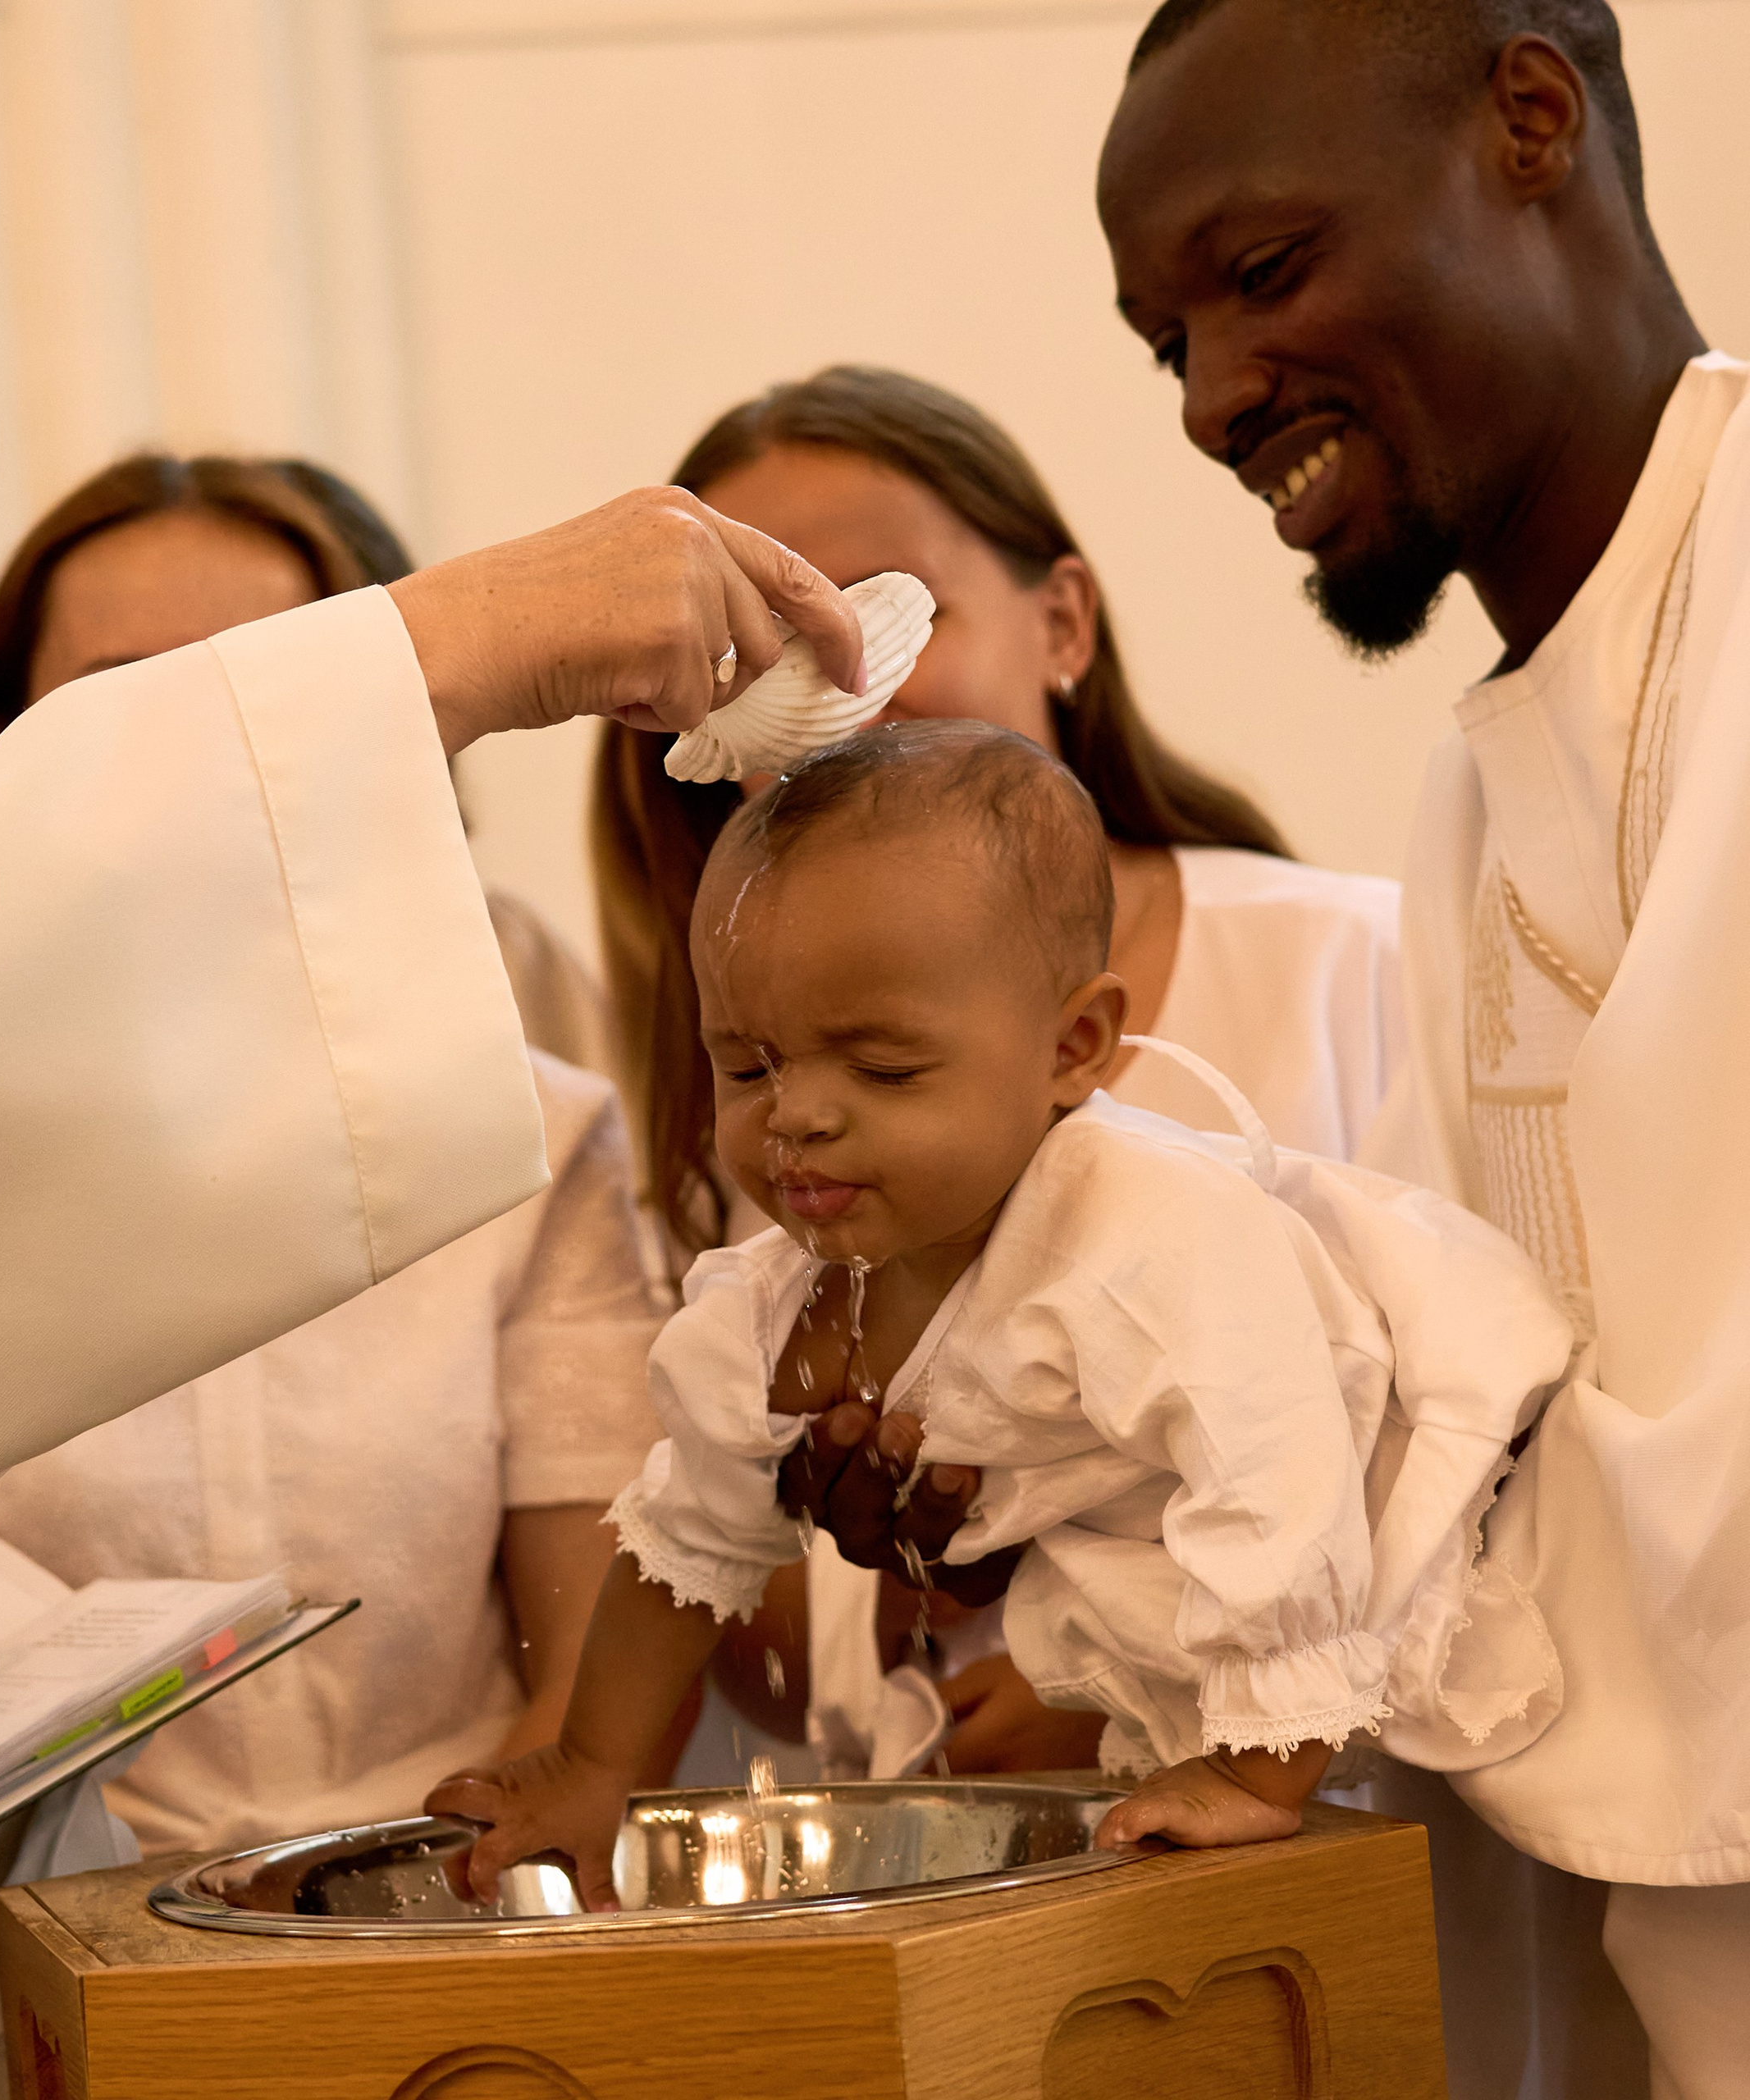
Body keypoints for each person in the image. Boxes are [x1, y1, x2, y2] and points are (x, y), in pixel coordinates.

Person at [0, 458, 864, 2100]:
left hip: (429, 1939)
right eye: (145, 712)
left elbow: (593, 1635)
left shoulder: (506, 1131)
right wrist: (458, 637)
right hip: (46, 1972)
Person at [1087, 2, 1750, 2093]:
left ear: (1527, 120)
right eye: (1164, 342)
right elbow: (1429, 1400)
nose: (1208, 398)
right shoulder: (1472, 790)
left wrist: (1319, 1612)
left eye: (1260, 272)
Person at [430, 722, 1573, 1906]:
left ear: (1073, 1048)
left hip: (1423, 1492)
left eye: (882, 1069)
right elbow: (686, 1547)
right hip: (1185, 1562)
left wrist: (1254, 1768)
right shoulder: (771, 1311)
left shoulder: (1146, 1237)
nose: (798, 1115)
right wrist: (594, 1763)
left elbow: (1279, 1484)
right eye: (750, 1065)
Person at [595, 367, 1406, 1775]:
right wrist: (913, 1562)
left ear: (1063, 621)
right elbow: (736, 1597)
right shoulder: (756, 1106)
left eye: (879, 612)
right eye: (747, 657)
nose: (821, 687)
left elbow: (1474, 1429)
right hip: (975, 1822)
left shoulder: (1351, 962)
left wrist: (1140, 1675)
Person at [0, 451, 610, 1075]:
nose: (191, 755)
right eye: (123, 693)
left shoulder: (507, 975)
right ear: (0, 733)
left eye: (259, 690)